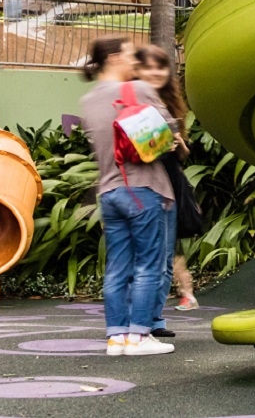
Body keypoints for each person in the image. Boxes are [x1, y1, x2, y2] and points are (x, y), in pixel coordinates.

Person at [79, 37, 176, 356]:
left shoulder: (89, 100)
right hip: (142, 188)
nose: (136, 61)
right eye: (132, 54)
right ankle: (139, 338)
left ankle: (117, 338)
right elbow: (167, 134)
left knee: (117, 267)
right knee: (149, 265)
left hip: (109, 191)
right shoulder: (138, 89)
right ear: (115, 57)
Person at [135, 44, 199, 326]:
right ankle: (143, 320)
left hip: (171, 183)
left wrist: (178, 144)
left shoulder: (168, 104)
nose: (155, 73)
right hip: (145, 184)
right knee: (151, 256)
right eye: (148, 67)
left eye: (160, 67)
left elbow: (181, 154)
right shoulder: (134, 103)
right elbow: (137, 152)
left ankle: (156, 319)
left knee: (166, 255)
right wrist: (156, 146)